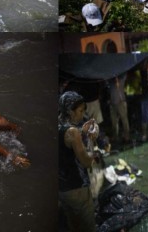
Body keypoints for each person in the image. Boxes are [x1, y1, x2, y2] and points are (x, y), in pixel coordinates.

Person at [58, 91, 98, 232]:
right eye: (80, 111)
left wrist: (82, 132)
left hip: (62, 189)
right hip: (77, 188)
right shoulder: (72, 132)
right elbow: (86, 162)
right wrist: (91, 142)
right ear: (70, 111)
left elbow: (65, 144)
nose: (82, 115)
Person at [108, 74, 130, 144]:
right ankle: (115, 137)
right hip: (113, 103)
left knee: (124, 120)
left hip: (121, 102)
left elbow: (125, 75)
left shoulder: (121, 78)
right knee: (114, 121)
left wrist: (117, 78)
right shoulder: (110, 80)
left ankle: (127, 137)